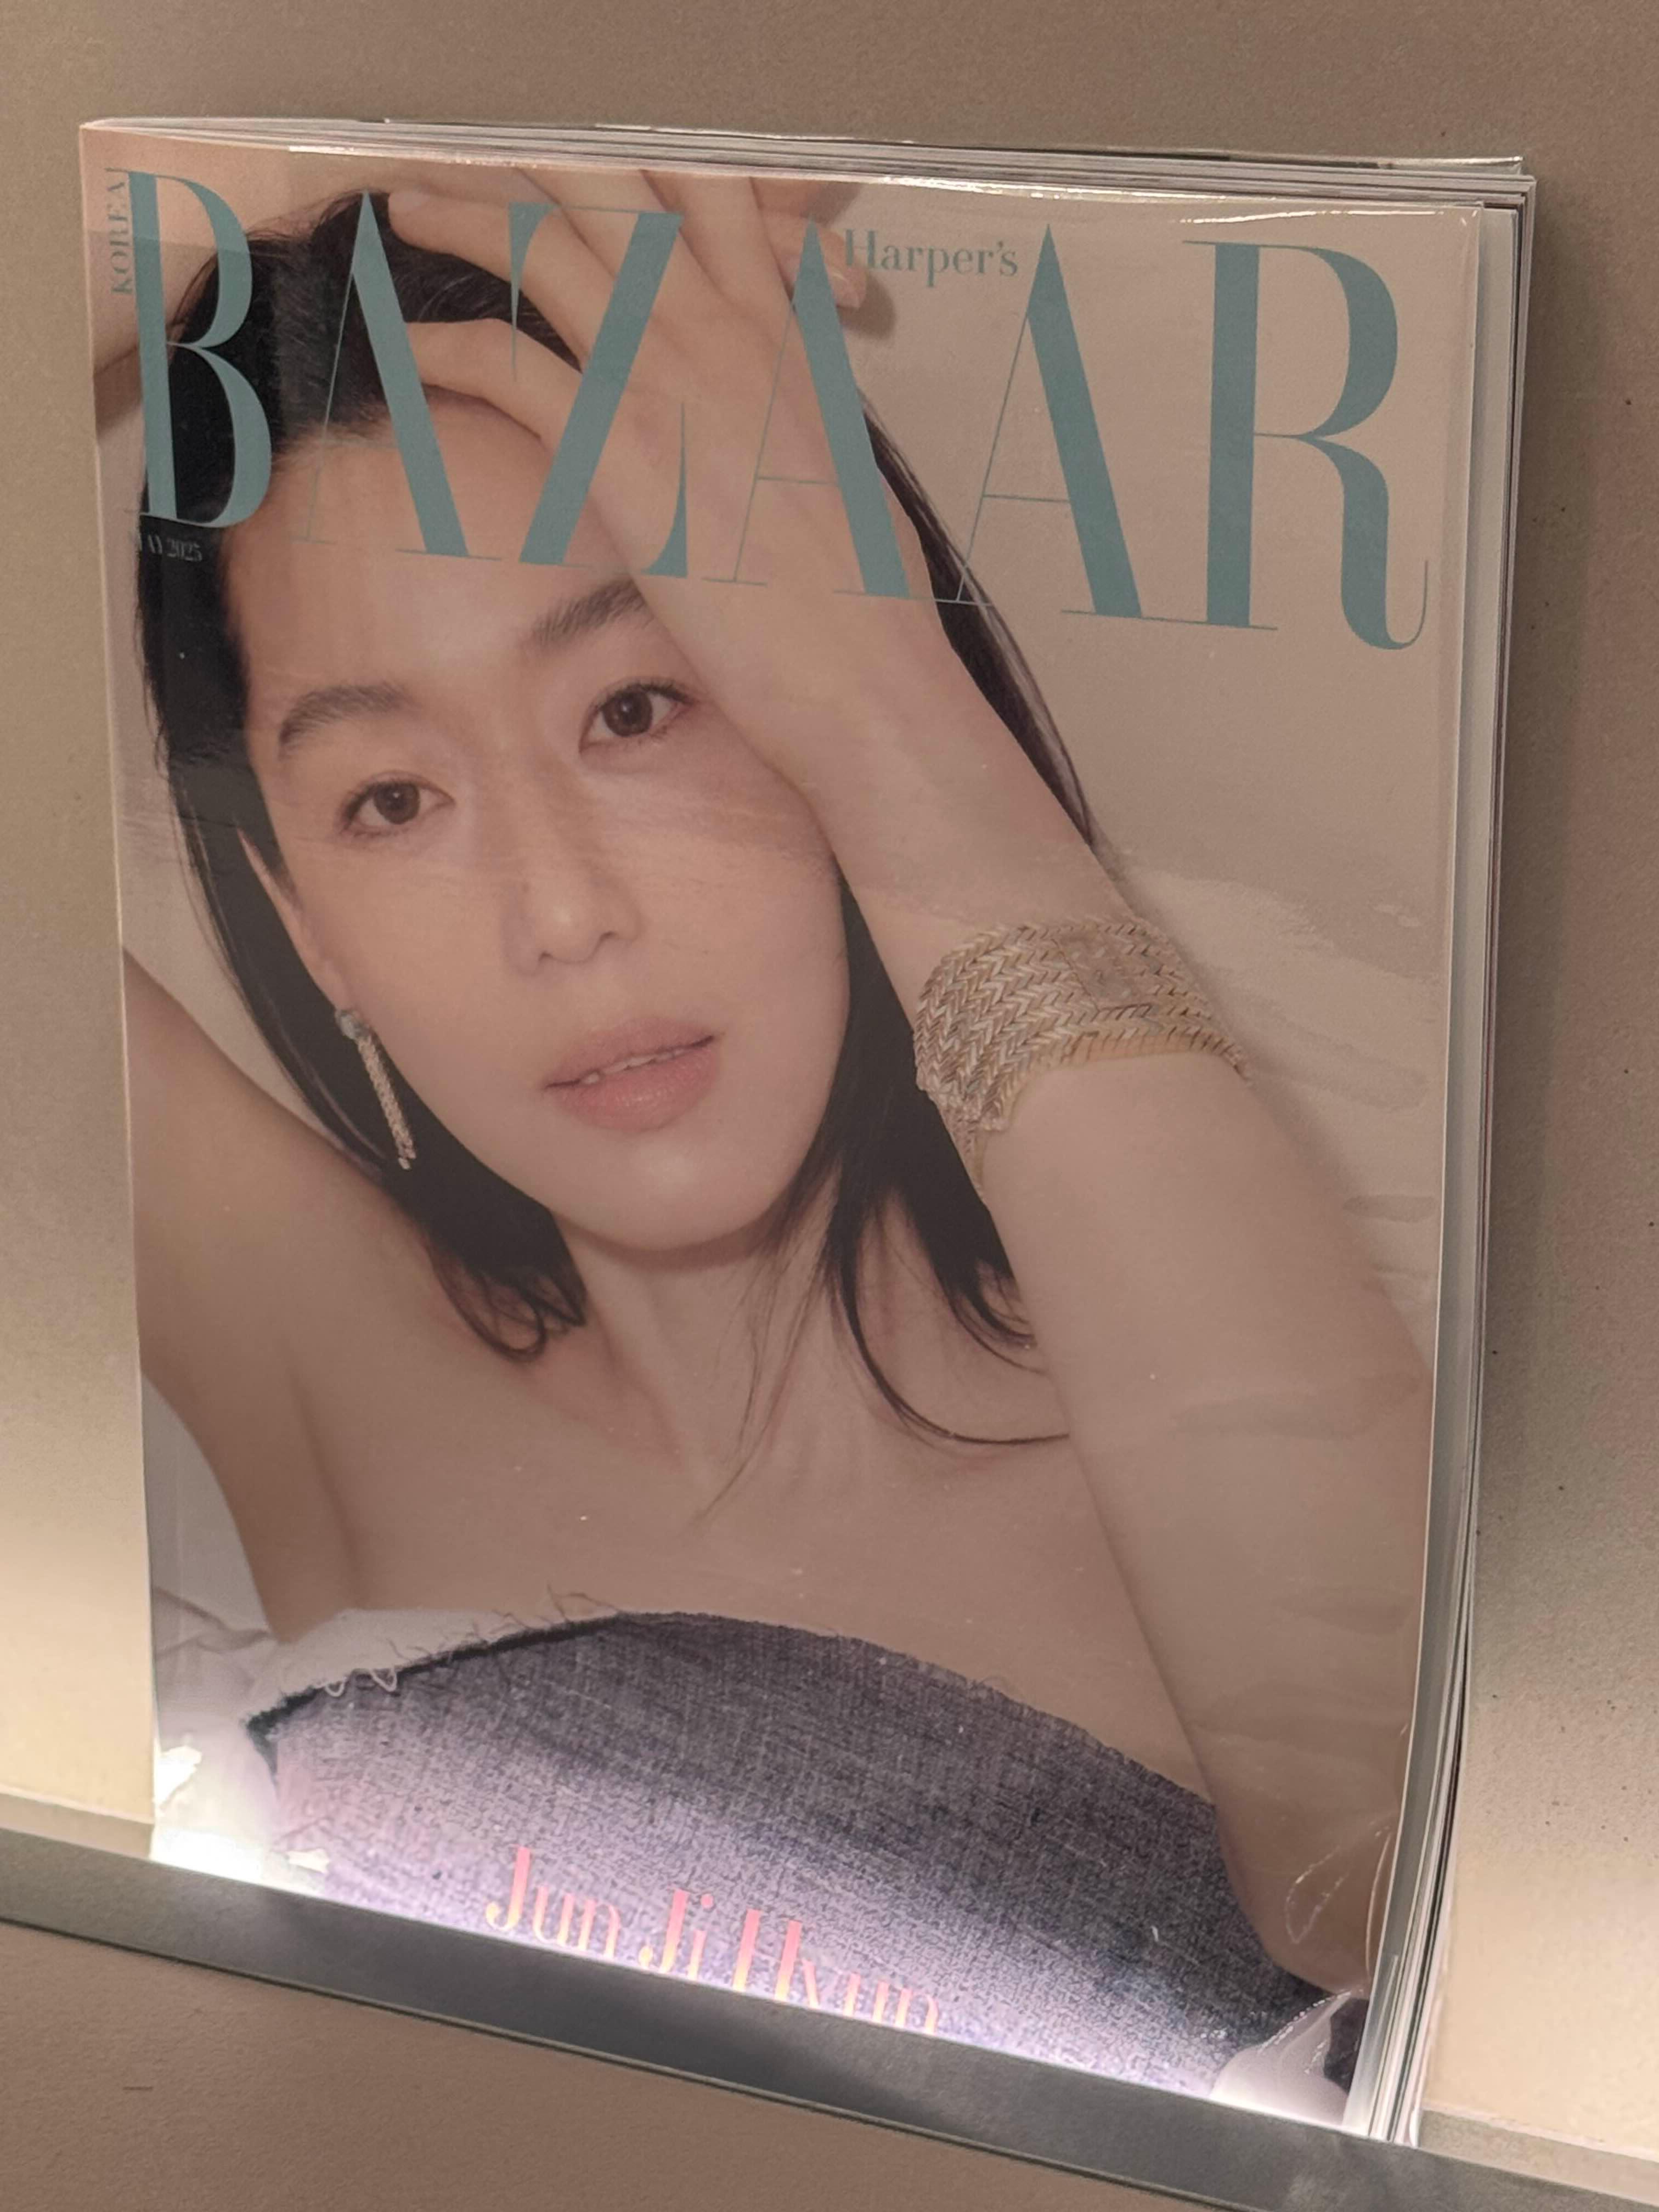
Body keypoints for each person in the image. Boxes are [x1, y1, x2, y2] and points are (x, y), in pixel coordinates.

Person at [121, 163, 1431, 2081]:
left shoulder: (1220, 1467)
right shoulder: (310, 1343)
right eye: (393, 800)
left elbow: (1401, 1889)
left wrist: (883, 693)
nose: (563, 914)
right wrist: (240, 174)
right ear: (301, 916)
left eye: (640, 707)